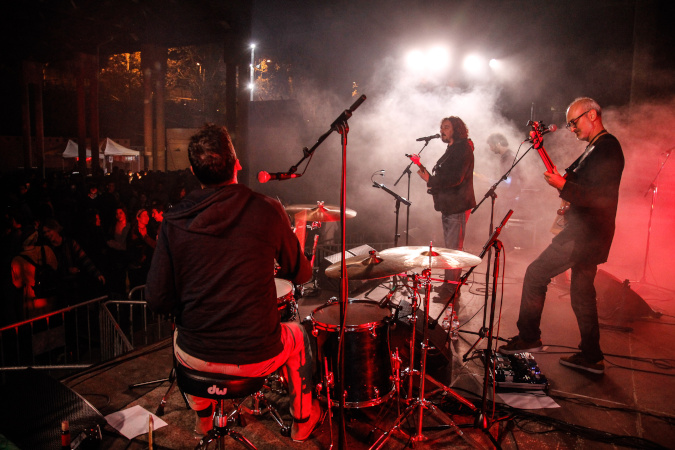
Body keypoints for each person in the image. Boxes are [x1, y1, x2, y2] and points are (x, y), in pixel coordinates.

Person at [145, 124, 320, 441]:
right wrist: (298, 230)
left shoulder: (173, 221)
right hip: (255, 357)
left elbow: (157, 299)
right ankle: (302, 422)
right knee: (298, 336)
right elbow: (302, 274)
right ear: (237, 163)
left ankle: (204, 418)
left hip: (195, 357)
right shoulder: (268, 210)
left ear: (192, 171)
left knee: (179, 336)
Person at [498, 97, 624, 375]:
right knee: (582, 293)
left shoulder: (607, 148)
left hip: (585, 234)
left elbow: (600, 196)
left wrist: (564, 186)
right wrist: (568, 195)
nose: (571, 129)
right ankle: (592, 357)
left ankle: (529, 337)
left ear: (591, 115)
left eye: (574, 122)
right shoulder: (596, 148)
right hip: (590, 232)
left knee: (535, 274)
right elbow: (584, 187)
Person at [415, 116, 476, 300]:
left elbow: (456, 178)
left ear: (456, 130)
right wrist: (424, 170)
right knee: (450, 248)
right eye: (441, 127)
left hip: (457, 205)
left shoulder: (463, 148)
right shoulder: (452, 148)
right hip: (449, 205)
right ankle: (448, 286)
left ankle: (451, 290)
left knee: (454, 249)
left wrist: (430, 180)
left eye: (446, 127)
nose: (442, 130)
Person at [42, 218, 105, 305]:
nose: (47, 234)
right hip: (59, 289)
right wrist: (67, 270)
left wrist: (97, 273)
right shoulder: (47, 249)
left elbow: (84, 258)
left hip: (75, 287)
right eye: (45, 232)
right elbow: (51, 270)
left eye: (49, 231)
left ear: (56, 229)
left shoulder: (70, 243)